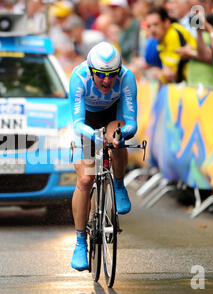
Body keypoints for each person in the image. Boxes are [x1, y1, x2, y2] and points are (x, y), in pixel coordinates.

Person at [69, 41, 138, 271]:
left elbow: (131, 121)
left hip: (113, 116)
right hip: (86, 123)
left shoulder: (127, 77)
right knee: (86, 179)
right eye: (100, 75)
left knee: (117, 137)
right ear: (91, 70)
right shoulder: (79, 78)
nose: (107, 81)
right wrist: (92, 136)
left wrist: (122, 134)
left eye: (112, 75)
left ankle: (118, 185)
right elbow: (78, 123)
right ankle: (80, 241)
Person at [146, 6, 196, 83]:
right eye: (149, 26)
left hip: (194, 82)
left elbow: (171, 74)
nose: (152, 29)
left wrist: (158, 74)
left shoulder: (172, 35)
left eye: (156, 24)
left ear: (166, 23)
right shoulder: (162, 38)